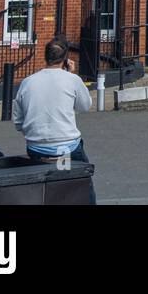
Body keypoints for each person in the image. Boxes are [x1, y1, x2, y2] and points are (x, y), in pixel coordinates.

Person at [13, 38, 94, 200]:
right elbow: (85, 106)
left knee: (45, 190)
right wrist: (71, 75)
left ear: (45, 57)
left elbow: (18, 122)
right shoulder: (72, 80)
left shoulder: (27, 82)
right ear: (65, 59)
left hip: (36, 148)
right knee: (83, 186)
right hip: (66, 147)